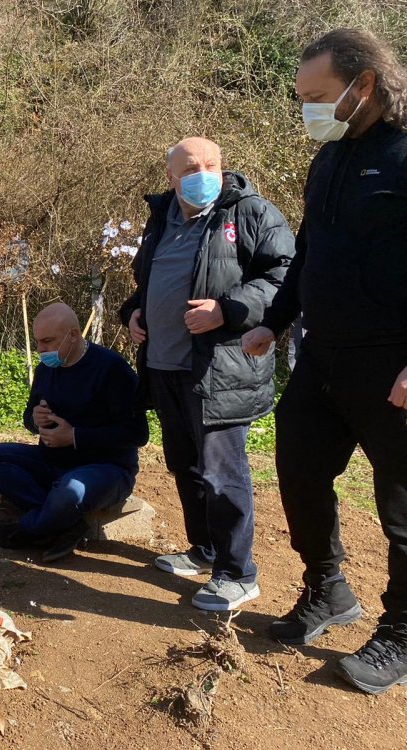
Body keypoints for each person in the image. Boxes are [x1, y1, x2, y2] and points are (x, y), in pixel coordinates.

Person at [242, 29, 407, 694]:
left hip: (392, 368)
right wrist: (274, 323)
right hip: (323, 358)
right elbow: (310, 252)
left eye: (316, 95)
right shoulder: (330, 159)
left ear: (362, 84)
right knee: (299, 469)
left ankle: (401, 633)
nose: (307, 108)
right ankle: (327, 586)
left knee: (401, 510)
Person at [119, 137, 295, 611]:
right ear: (171, 177)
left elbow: (285, 278)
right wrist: (134, 313)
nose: (203, 172)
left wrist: (227, 310)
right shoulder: (163, 218)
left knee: (223, 474)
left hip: (219, 369)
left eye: (211, 163)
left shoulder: (251, 212)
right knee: (185, 465)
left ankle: (238, 574)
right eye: (191, 167)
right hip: (166, 365)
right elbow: (148, 280)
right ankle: (205, 549)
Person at [0, 304, 147, 562]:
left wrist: (75, 436)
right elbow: (29, 417)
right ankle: (65, 521)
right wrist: (35, 419)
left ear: (74, 335)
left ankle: (26, 530)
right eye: (38, 342)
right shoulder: (47, 369)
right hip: (52, 461)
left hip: (106, 468)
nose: (42, 350)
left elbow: (137, 434)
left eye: (48, 341)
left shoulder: (111, 369)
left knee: (71, 490)